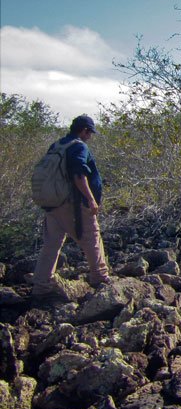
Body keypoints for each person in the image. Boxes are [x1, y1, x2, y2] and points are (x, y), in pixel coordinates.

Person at [32, 115, 111, 299]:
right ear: (84, 130)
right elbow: (78, 174)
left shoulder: (57, 145)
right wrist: (91, 199)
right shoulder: (78, 146)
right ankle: (100, 278)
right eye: (89, 132)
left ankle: (41, 285)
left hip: (53, 204)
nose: (89, 136)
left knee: (52, 243)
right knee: (92, 237)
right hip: (73, 204)